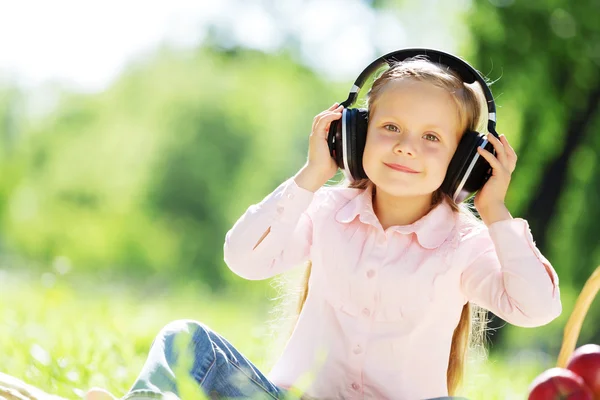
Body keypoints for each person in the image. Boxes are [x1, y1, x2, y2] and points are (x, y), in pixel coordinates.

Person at [86, 49, 562, 400]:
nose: (405, 146)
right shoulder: (326, 211)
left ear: (465, 162)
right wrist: (312, 175)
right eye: (390, 127)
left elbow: (536, 308)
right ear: (353, 136)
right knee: (185, 338)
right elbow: (244, 258)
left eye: (432, 137)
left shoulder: (466, 243)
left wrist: (496, 211)